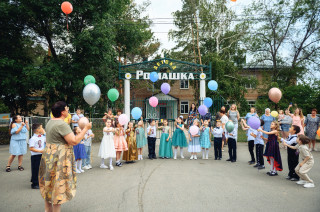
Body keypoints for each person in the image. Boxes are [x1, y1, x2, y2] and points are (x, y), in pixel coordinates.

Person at [39, 101, 92, 211]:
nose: (68, 110)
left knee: (49, 184)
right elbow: (74, 141)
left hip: (49, 158)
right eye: (67, 108)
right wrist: (86, 129)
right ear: (63, 112)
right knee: (59, 185)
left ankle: (47, 210)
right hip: (59, 159)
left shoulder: (50, 122)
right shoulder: (62, 124)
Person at [29, 123, 46, 189]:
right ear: (38, 130)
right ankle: (34, 183)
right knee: (35, 169)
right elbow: (31, 148)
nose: (43, 129)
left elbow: (48, 140)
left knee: (41, 169)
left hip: (41, 155)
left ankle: (40, 181)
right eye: (42, 128)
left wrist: (44, 133)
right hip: (35, 156)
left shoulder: (42, 136)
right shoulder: (33, 138)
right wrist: (40, 151)